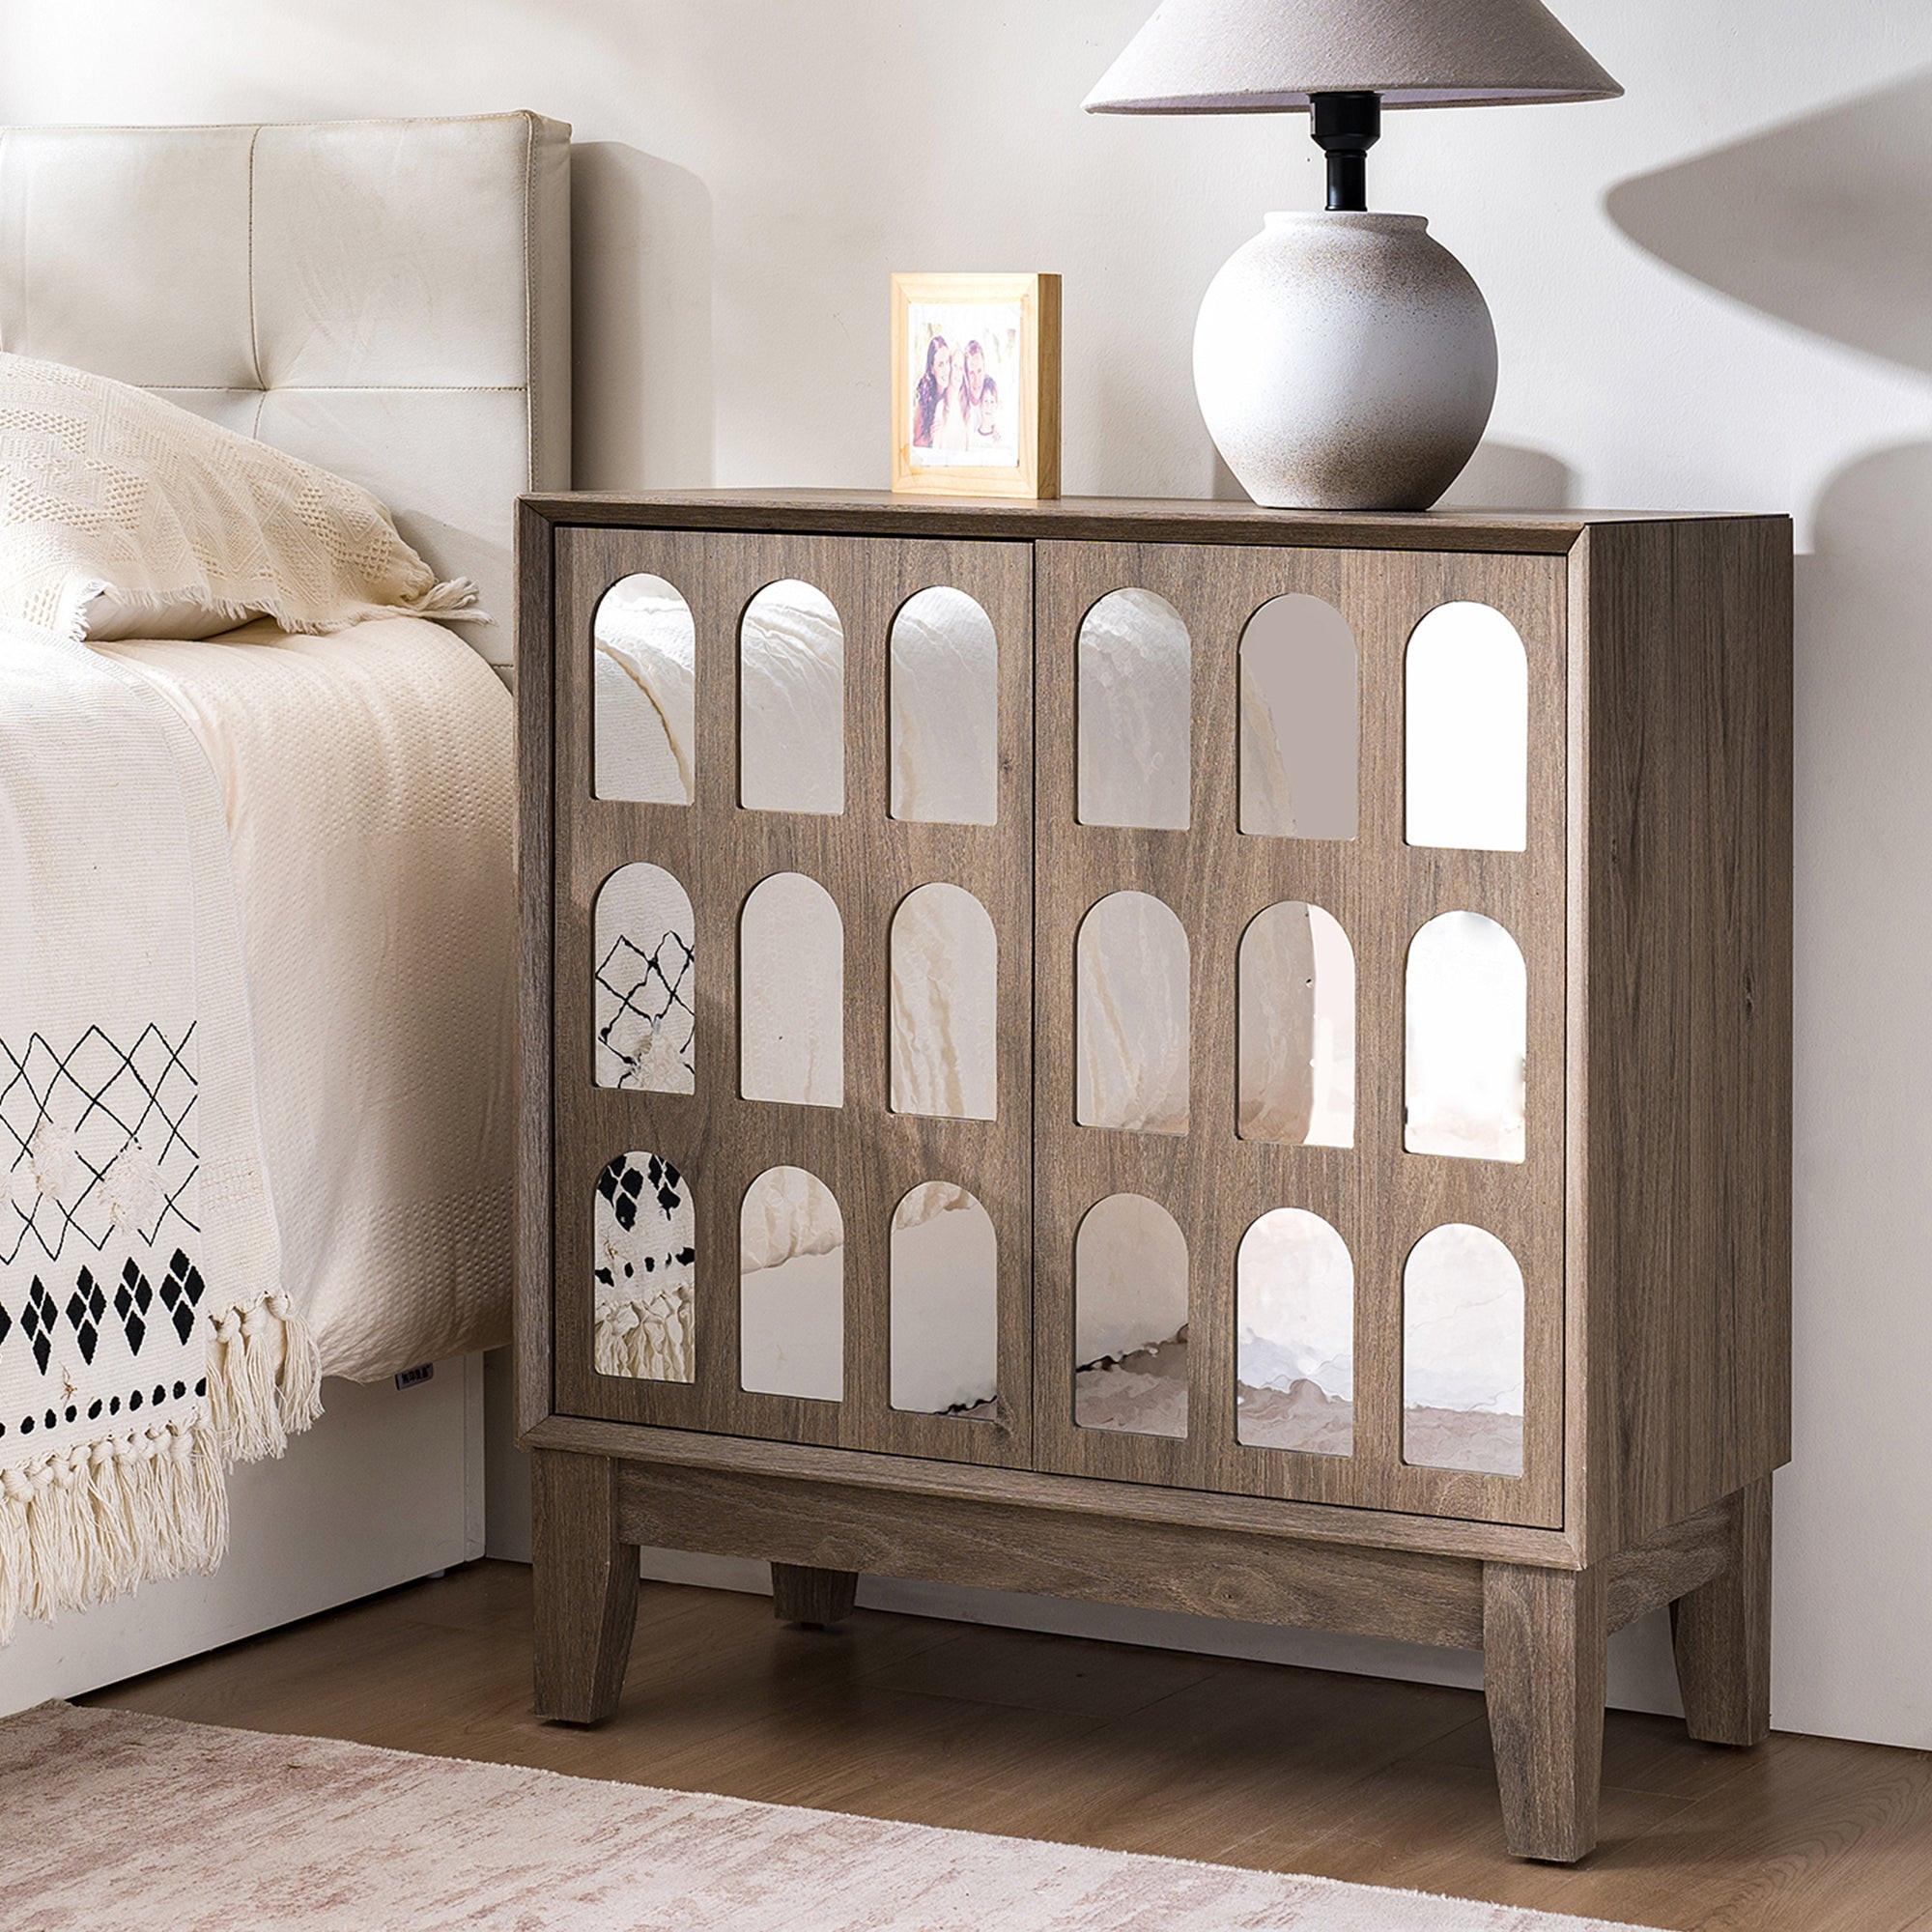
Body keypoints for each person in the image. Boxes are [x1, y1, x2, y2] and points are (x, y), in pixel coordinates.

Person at [912, 334, 952, 448]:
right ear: (932, 369)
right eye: (940, 364)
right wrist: (930, 436)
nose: (946, 370)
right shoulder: (925, 397)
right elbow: (915, 443)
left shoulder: (951, 392)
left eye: (947, 362)